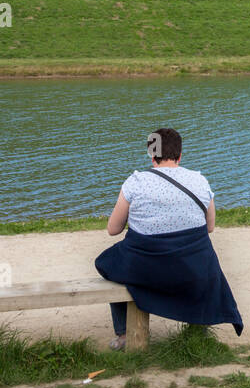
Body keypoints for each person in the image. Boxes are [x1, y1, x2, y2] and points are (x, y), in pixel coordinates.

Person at [94, 128, 242, 350]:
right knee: (198, 259)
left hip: (146, 268)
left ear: (151, 156)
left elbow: (113, 229)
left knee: (107, 263)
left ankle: (124, 335)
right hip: (191, 267)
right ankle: (196, 334)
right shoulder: (199, 181)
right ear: (180, 155)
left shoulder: (136, 182)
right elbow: (209, 227)